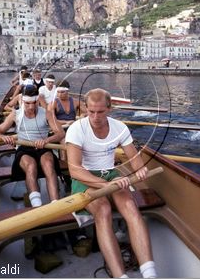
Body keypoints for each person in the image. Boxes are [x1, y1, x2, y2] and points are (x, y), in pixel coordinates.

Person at [65, 88, 157, 278]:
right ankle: (120, 276)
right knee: (104, 210)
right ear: (85, 109)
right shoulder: (76, 129)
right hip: (85, 177)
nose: (95, 117)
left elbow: (134, 157)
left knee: (131, 207)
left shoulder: (119, 127)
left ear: (110, 109)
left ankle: (150, 274)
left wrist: (140, 169)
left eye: (100, 111)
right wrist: (104, 185)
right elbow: (74, 170)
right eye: (91, 111)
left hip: (111, 175)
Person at [0, 86, 65, 207]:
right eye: (27, 103)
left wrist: (47, 140)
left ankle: (56, 205)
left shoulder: (47, 113)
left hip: (43, 146)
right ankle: (36, 205)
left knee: (48, 164)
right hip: (24, 148)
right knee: (31, 166)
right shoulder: (15, 114)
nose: (31, 107)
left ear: (38, 100)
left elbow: (60, 133)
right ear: (22, 101)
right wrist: (4, 138)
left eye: (34, 103)